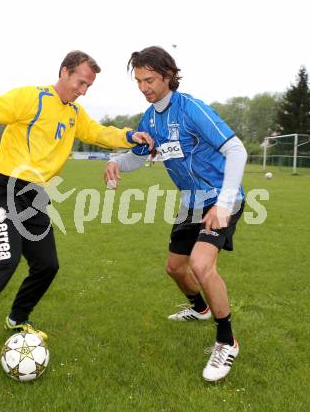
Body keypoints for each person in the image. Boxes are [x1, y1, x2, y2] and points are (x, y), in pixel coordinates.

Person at [0, 50, 153, 383]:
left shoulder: (74, 113)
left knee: (47, 265)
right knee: (5, 260)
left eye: (88, 86)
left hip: (35, 196)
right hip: (5, 188)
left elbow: (99, 133)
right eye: (81, 82)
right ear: (64, 72)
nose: (83, 90)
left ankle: (17, 319)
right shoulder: (33, 98)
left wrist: (130, 136)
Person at [104, 46, 247, 382]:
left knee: (201, 264)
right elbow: (138, 157)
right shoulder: (149, 119)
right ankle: (199, 309)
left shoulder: (191, 108)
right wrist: (114, 161)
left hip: (220, 199)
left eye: (150, 79)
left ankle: (227, 340)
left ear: (168, 75)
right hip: (190, 203)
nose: (144, 87)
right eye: (138, 80)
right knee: (175, 268)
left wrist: (224, 203)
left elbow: (236, 149)